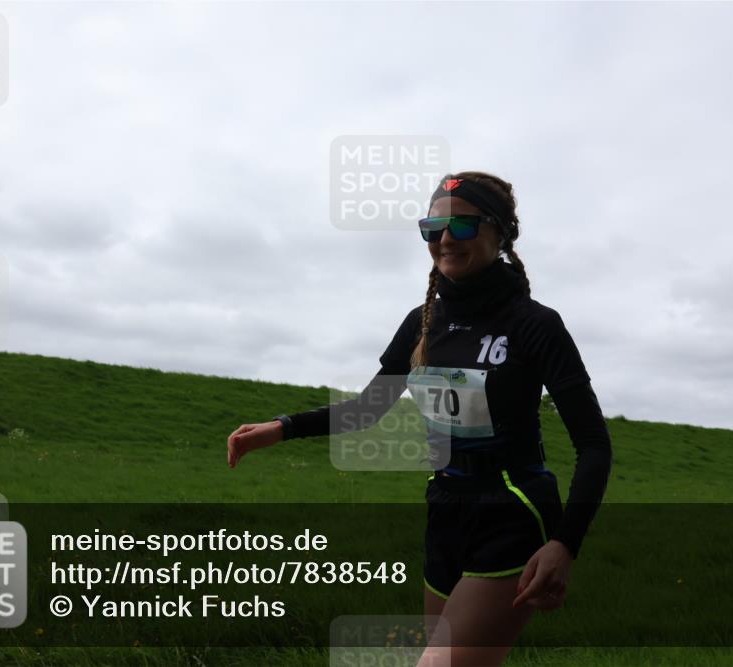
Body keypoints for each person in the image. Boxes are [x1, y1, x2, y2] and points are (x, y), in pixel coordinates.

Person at [227, 171, 613, 666]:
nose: (446, 239)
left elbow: (594, 445)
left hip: (513, 513)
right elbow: (368, 409)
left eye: (464, 227)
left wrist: (565, 544)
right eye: (433, 228)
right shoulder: (421, 322)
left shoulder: (535, 325)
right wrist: (282, 428)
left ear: (500, 234)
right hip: (445, 511)